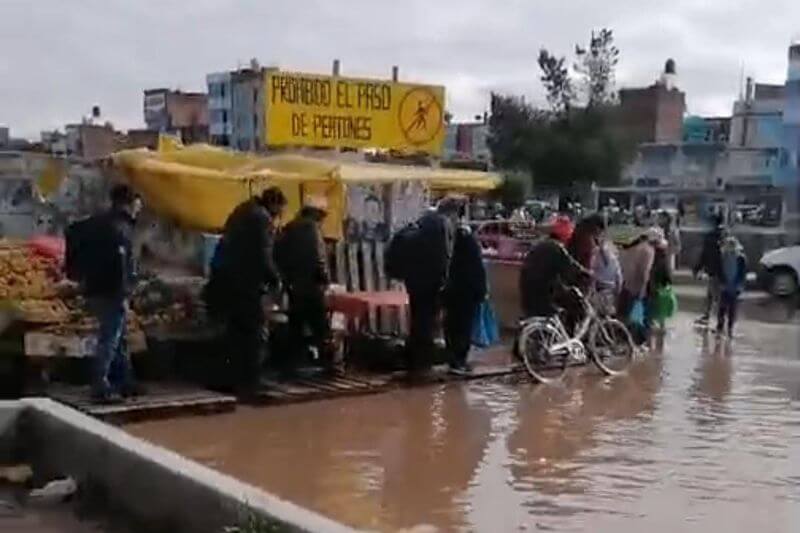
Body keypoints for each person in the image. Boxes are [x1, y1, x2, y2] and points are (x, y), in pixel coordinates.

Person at [208, 187, 287, 393]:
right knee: (254, 331)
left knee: (234, 332)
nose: (280, 215)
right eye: (280, 209)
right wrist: (275, 279)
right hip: (246, 283)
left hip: (227, 280)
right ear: (275, 204)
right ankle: (251, 380)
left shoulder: (242, 210)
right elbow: (263, 254)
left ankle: (230, 378)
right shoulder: (261, 219)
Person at [84, 184, 141, 403]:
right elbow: (121, 263)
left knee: (118, 337)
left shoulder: (102, 222)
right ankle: (100, 386)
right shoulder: (120, 227)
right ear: (129, 202)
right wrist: (124, 292)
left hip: (97, 287)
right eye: (137, 201)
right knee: (110, 338)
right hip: (112, 290)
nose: (140, 206)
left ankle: (124, 380)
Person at [403, 196, 461, 374]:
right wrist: (444, 281)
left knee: (417, 319)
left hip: (413, 279)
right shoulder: (441, 225)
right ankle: (422, 364)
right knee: (427, 321)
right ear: (452, 212)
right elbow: (443, 256)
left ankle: (414, 360)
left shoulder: (424, 220)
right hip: (430, 281)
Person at [275, 196, 332, 373]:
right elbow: (318, 258)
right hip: (311, 286)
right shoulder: (312, 229)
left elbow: (278, 255)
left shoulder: (289, 228)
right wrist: (324, 278)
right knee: (320, 327)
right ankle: (328, 364)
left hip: (294, 286)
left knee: (296, 327)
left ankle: (292, 365)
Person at [519, 217, 589, 321]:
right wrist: (587, 274)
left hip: (526, 287)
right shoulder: (557, 248)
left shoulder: (540, 244)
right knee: (575, 302)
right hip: (543, 291)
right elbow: (572, 267)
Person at [443, 224, 487, 375]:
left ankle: (453, 360)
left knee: (452, 327)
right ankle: (460, 361)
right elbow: (479, 274)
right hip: (467, 296)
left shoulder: (454, 255)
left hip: (453, 295)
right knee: (464, 329)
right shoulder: (473, 253)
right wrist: (481, 293)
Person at [618, 227, 660, 344]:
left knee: (628, 315)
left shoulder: (633, 248)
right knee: (641, 317)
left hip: (626, 285)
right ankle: (639, 342)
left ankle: (625, 340)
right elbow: (644, 272)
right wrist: (642, 291)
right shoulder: (648, 250)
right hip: (638, 287)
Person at [693, 214, 726, 326]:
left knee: (715, 295)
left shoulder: (711, 237)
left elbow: (704, 254)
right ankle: (712, 317)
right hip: (722, 271)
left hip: (714, 269)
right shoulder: (726, 236)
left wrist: (697, 268)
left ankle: (718, 320)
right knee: (713, 295)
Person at [717, 236, 747, 337]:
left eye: (732, 246)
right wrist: (721, 282)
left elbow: (742, 273)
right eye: (728, 246)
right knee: (722, 308)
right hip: (725, 285)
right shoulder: (722, 257)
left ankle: (730, 328)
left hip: (735, 286)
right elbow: (719, 271)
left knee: (732, 309)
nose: (730, 248)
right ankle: (720, 327)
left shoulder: (741, 258)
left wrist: (740, 285)